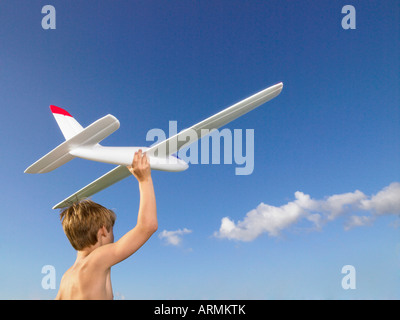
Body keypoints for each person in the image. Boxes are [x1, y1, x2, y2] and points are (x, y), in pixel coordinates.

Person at [55, 150, 157, 300]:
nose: (114, 237)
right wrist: (144, 180)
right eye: (112, 231)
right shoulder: (97, 259)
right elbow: (148, 226)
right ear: (103, 231)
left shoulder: (67, 277)